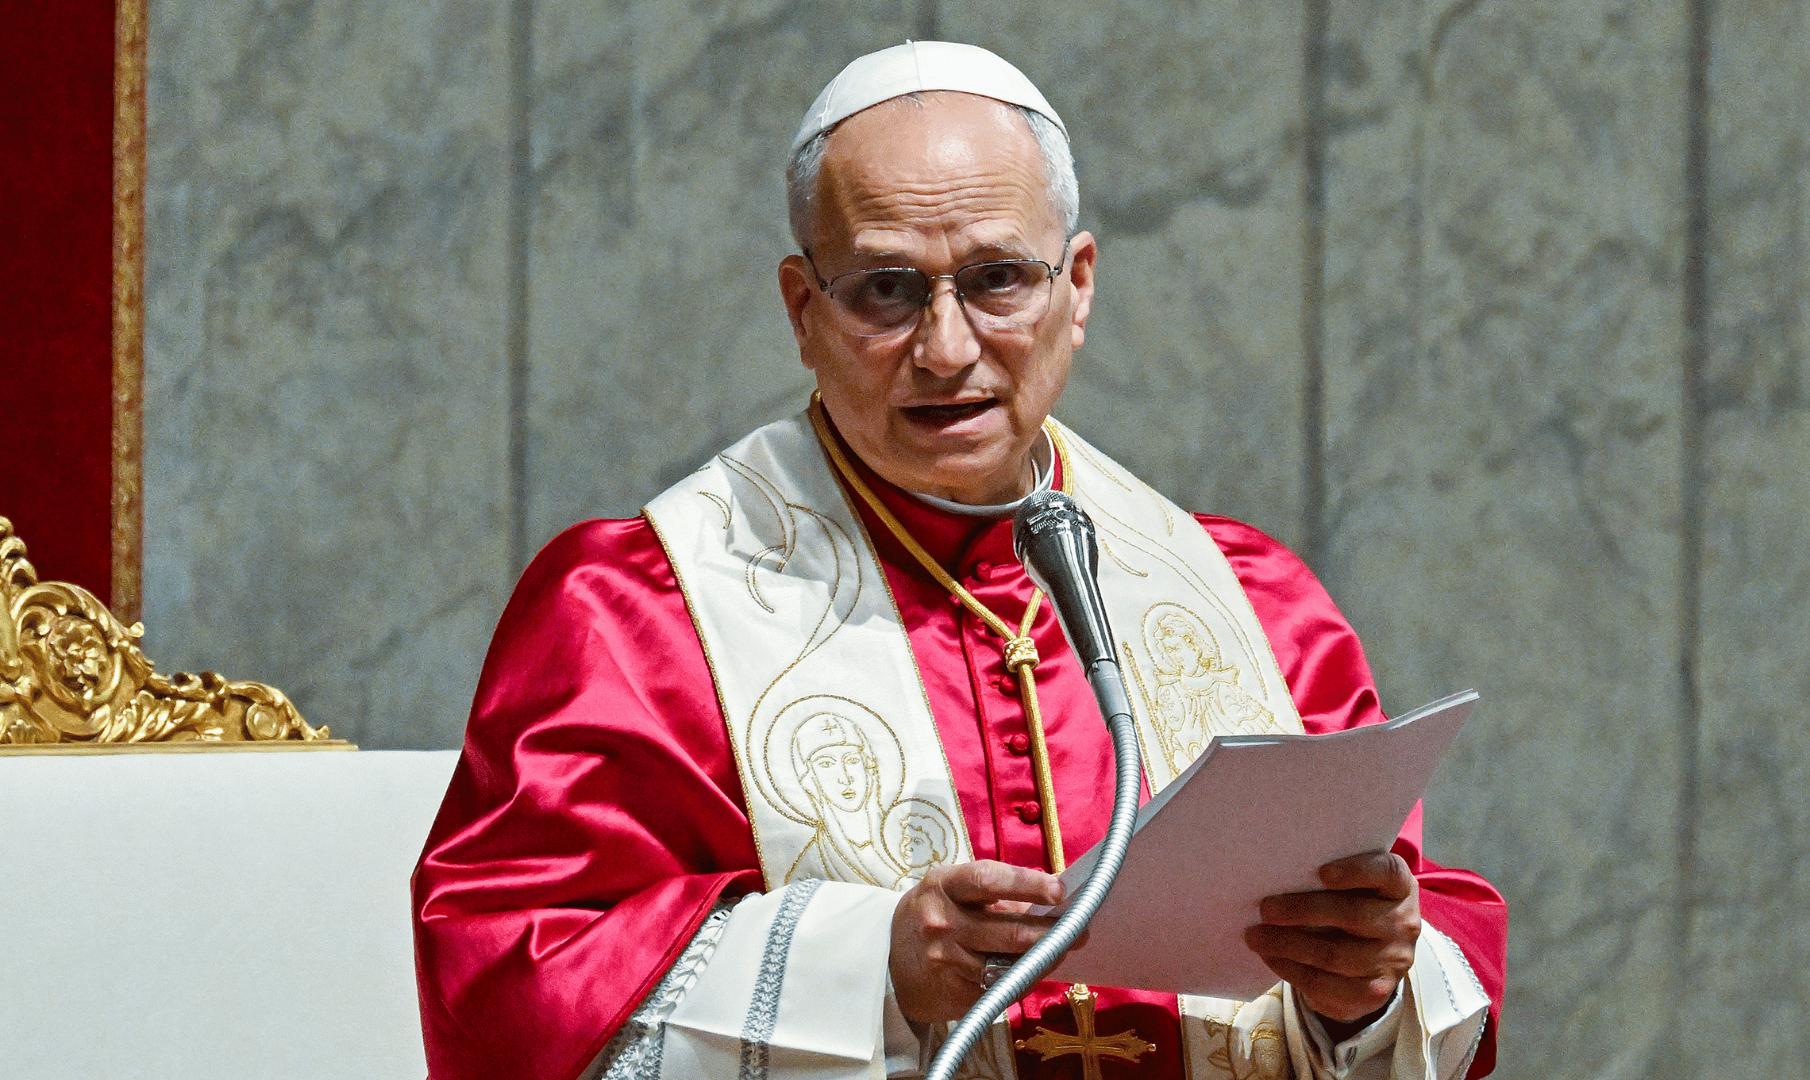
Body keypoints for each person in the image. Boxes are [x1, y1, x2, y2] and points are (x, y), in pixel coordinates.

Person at [411, 41, 1506, 1080]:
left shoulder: (1257, 603)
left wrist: (1362, 991)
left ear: (1076, 287)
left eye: (997, 280)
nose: (946, 349)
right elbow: (506, 983)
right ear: (804, 308)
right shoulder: (636, 614)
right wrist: (870, 962)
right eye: (887, 290)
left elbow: (1427, 937)